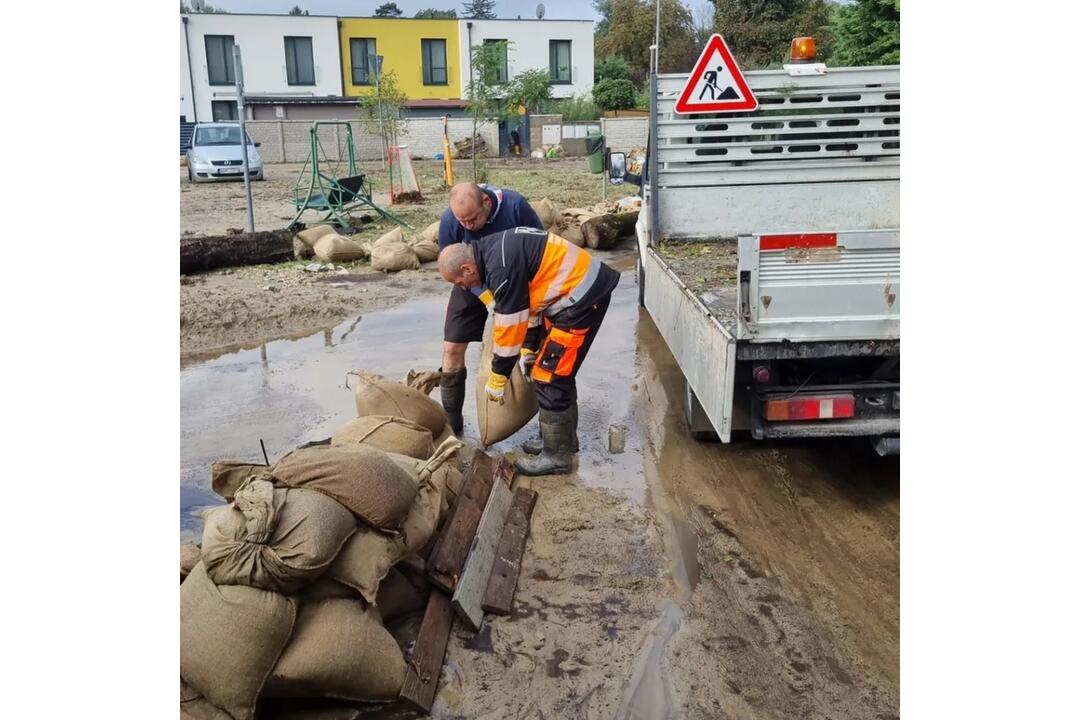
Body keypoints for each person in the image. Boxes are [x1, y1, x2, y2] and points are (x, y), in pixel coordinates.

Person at [438, 228, 620, 475]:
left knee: (550, 377)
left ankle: (557, 456)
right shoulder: (494, 252)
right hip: (573, 295)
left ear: (467, 269)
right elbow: (530, 306)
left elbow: (510, 325)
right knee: (555, 372)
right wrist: (530, 348)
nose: (462, 288)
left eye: (459, 282)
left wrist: (498, 375)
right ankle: (562, 441)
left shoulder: (499, 269)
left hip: (582, 300)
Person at [436, 182, 545, 434]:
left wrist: (524, 306)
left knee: (535, 347)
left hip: (518, 282)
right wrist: (483, 294)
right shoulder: (452, 220)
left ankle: (547, 427)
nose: (467, 226)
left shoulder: (515, 206)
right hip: (472, 282)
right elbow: (451, 266)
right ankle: (452, 425)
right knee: (451, 348)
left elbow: (539, 249)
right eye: (462, 221)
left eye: (472, 219)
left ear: (486, 202)